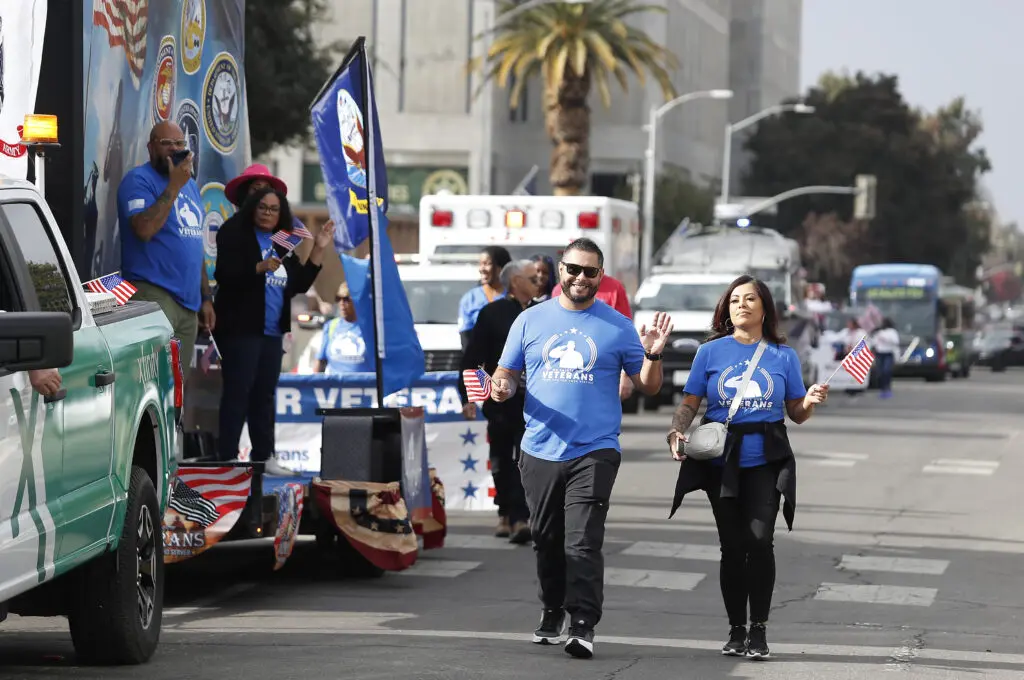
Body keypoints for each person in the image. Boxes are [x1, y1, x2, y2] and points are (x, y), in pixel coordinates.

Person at [491, 237, 672, 659]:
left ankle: (583, 623)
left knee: (583, 542)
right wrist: (501, 387)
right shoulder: (530, 320)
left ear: (600, 277)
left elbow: (647, 384)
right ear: (560, 271)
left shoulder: (617, 326)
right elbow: (507, 373)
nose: (581, 278)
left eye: (591, 272)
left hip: (595, 449)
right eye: (574, 269)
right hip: (539, 447)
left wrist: (652, 355)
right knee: (546, 538)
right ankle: (552, 607)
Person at [665, 275, 829, 660]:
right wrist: (676, 430)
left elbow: (796, 414)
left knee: (759, 541)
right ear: (727, 309)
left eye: (750, 299)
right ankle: (736, 630)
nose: (742, 305)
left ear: (764, 308)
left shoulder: (782, 356)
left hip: (767, 460)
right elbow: (691, 401)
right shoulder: (709, 353)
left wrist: (810, 401)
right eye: (735, 299)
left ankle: (759, 631)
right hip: (722, 459)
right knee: (732, 546)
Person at [212, 186, 334, 474]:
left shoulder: (282, 241)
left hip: (272, 332)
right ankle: (227, 457)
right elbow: (225, 275)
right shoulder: (235, 233)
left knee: (264, 396)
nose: (268, 213)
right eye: (263, 207)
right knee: (237, 393)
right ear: (253, 207)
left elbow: (299, 284)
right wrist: (259, 267)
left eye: (274, 209)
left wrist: (318, 247)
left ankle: (264, 457)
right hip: (241, 329)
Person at [117, 121, 214, 380]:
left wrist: (205, 298)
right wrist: (172, 187)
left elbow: (194, 244)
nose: (174, 149)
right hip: (154, 293)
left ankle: (174, 422)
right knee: (150, 382)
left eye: (179, 144)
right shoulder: (138, 180)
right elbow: (144, 229)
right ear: (150, 147)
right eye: (166, 143)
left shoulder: (190, 185)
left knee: (176, 388)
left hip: (188, 305)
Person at [459, 259, 540, 543]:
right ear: (516, 281)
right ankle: (506, 512)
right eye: (532, 278)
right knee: (502, 459)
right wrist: (469, 397)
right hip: (502, 400)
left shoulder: (541, 313)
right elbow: (472, 358)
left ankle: (521, 517)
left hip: (535, 402)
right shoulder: (492, 313)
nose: (538, 282)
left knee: (526, 459)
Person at [458, 246, 512, 350]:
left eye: (487, 264)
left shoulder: (513, 296)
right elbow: (465, 335)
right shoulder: (470, 298)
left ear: (501, 268)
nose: (481, 269)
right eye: (480, 264)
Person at [316, 282, 370, 375]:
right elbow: (321, 361)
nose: (341, 303)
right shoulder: (331, 326)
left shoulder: (370, 327)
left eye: (346, 299)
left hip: (363, 386)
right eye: (338, 299)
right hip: (335, 386)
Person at [871, 317, 900, 398]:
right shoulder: (879, 332)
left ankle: (887, 388)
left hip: (888, 353)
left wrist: (886, 339)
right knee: (880, 372)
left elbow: (896, 341)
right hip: (879, 354)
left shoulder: (892, 332)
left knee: (886, 371)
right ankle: (882, 389)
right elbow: (874, 342)